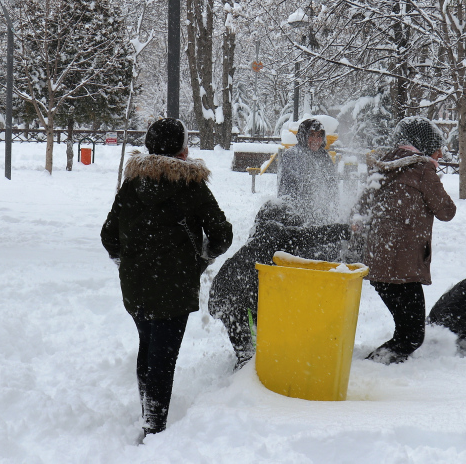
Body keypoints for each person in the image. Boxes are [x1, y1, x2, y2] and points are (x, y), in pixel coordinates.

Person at [101, 118, 233, 438]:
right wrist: (202, 259)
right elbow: (222, 235)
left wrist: (131, 263)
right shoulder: (191, 186)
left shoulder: (132, 184)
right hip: (174, 287)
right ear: (180, 149)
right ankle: (154, 427)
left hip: (136, 286)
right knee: (163, 356)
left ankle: (149, 414)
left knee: (148, 347)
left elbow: (109, 236)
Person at [352, 116, 456, 365]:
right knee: (411, 336)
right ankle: (371, 368)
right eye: (436, 146)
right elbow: (446, 211)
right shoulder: (421, 170)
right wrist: (430, 172)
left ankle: (381, 367)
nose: (439, 153)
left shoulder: (383, 165)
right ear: (423, 143)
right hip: (404, 269)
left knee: (405, 331)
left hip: (378, 265)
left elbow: (359, 210)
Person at [208, 199, 350, 369]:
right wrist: (345, 230)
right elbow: (311, 235)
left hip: (221, 292)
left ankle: (247, 357)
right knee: (263, 313)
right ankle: (255, 362)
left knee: (240, 320)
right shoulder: (279, 233)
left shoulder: (258, 236)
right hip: (239, 290)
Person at [278, 118, 339, 225]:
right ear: (303, 136)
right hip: (298, 220)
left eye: (319, 135)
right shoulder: (293, 156)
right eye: (312, 135)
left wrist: (331, 212)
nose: (316, 140)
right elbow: (286, 192)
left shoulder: (324, 157)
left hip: (322, 218)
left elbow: (332, 188)